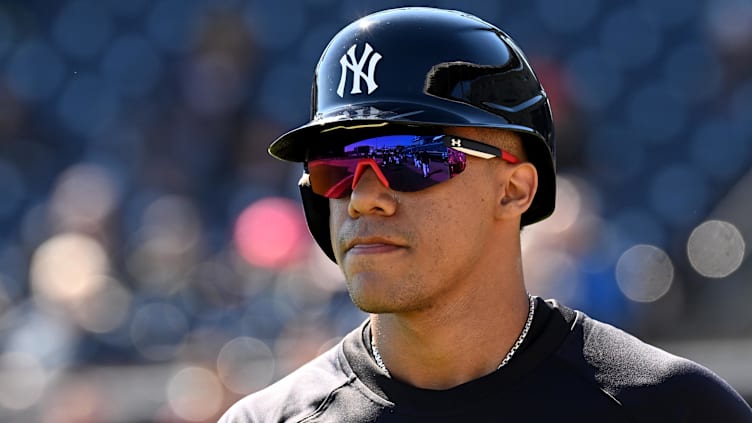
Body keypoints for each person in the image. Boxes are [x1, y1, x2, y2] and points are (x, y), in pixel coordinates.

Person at [220, 7, 752, 422]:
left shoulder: (673, 410)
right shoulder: (265, 420)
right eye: (334, 168)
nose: (362, 198)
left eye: (408, 158)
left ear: (515, 189)